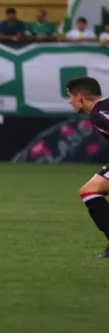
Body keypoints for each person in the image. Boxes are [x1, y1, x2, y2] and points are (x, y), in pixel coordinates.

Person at [67, 77, 109, 258]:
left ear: (79, 97)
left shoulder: (99, 113)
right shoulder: (103, 108)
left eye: (69, 97)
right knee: (89, 190)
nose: (69, 102)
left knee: (90, 191)